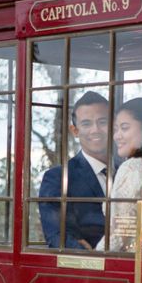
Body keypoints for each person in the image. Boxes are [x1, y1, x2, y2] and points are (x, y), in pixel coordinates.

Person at [38, 91, 109, 249]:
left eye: (103, 122)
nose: (95, 129)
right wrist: (91, 257)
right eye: (86, 124)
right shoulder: (58, 178)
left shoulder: (130, 171)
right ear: (75, 131)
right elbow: (57, 237)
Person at [97, 97, 142, 252]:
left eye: (124, 128)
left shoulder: (132, 167)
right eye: (115, 129)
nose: (116, 136)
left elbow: (120, 232)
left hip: (135, 260)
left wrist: (94, 259)